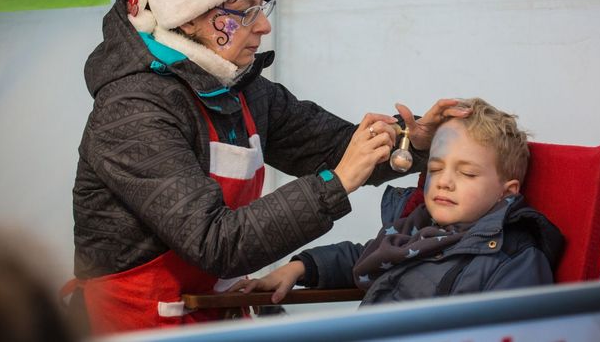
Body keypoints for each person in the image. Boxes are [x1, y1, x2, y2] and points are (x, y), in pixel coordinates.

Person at [67, 0, 470, 334]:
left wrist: (413, 140)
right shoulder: (131, 111)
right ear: (188, 19)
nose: (264, 25)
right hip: (133, 325)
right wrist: (336, 183)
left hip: (212, 315)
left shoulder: (241, 89)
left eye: (262, 7)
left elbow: (335, 147)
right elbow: (215, 241)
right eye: (244, 13)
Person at [231, 98, 565, 304]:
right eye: (435, 168)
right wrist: (301, 266)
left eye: (467, 174)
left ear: (508, 191)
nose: (444, 181)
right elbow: (367, 256)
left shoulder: (513, 259)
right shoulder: (421, 227)